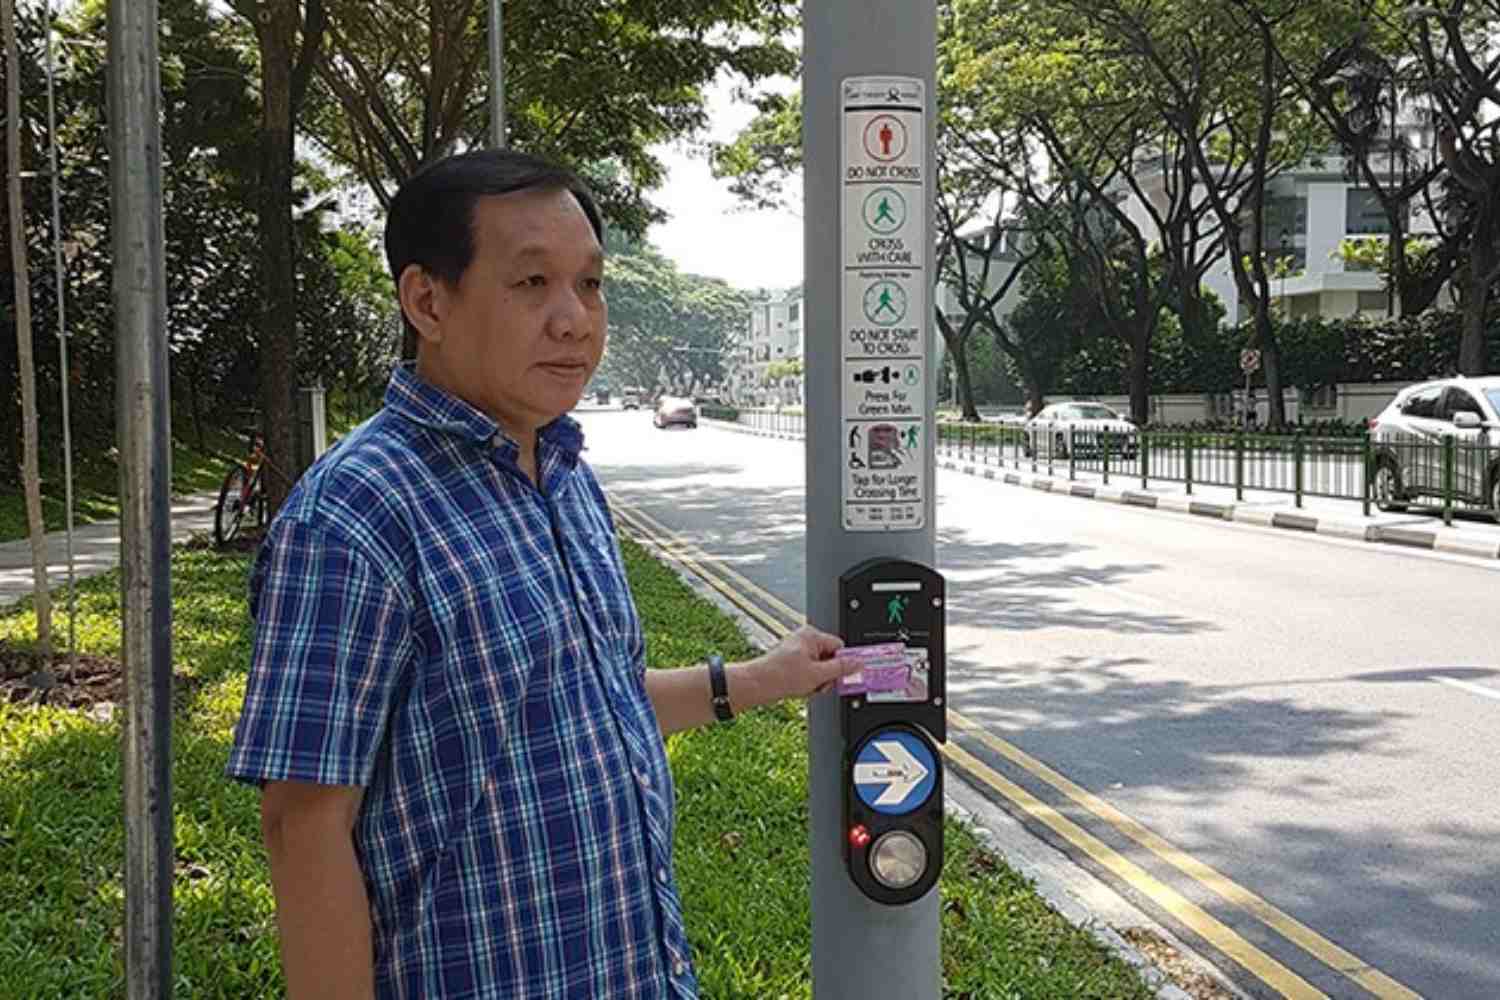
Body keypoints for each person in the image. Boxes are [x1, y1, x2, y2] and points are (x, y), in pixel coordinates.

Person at [226, 148, 856, 1000]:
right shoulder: (355, 516)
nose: (574, 319)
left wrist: (755, 679)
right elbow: (304, 824)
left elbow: (591, 696)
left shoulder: (560, 473)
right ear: (427, 300)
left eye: (590, 285)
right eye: (531, 284)